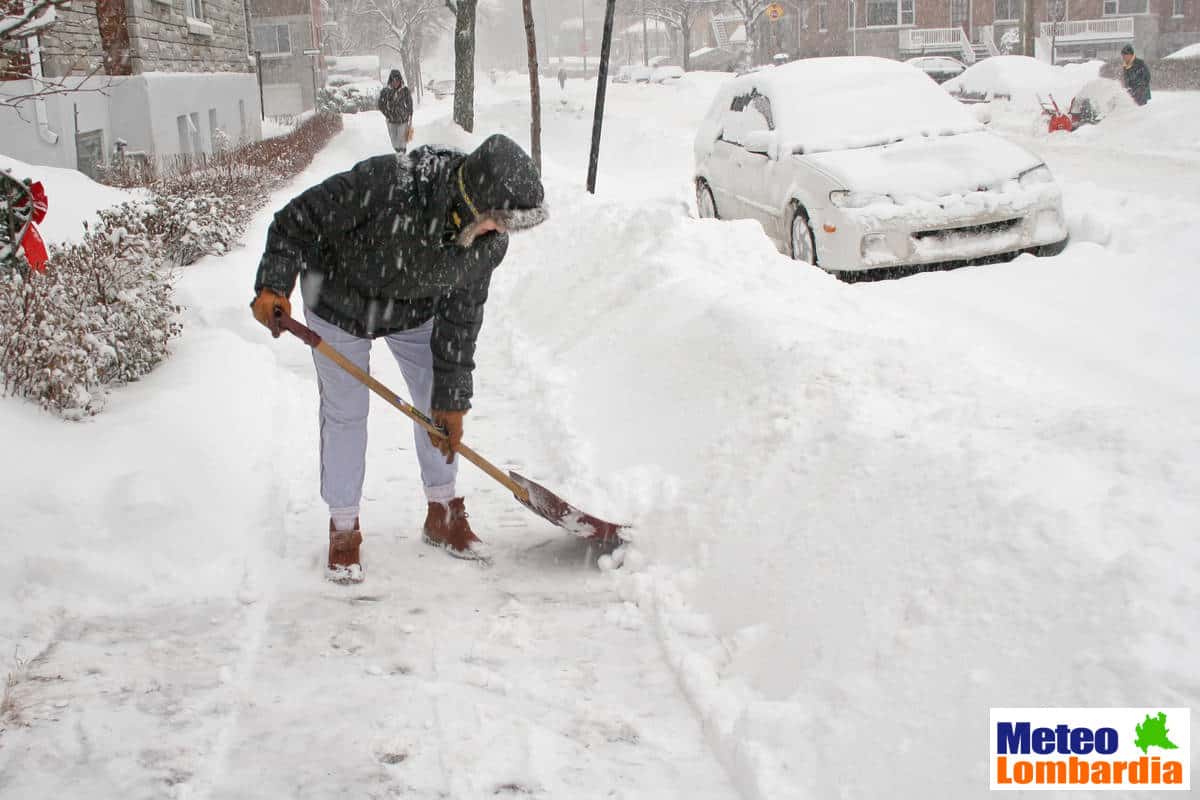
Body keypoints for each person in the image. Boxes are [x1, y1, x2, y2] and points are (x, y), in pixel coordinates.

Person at [250, 135, 548, 582]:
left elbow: (461, 318)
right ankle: (344, 526)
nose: (501, 233)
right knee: (346, 412)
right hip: (338, 301)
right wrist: (274, 284)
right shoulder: (390, 184)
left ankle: (443, 510)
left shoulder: (487, 245)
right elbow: (296, 219)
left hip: (412, 309)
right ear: (473, 202)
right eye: (498, 222)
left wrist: (452, 399)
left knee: (436, 404)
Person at [377, 69, 414, 153]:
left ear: (400, 80)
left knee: (401, 141)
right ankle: (398, 154)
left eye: (397, 80)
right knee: (394, 142)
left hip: (403, 120)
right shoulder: (386, 92)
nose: (395, 83)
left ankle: (402, 156)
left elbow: (410, 104)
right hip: (391, 120)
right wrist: (387, 113)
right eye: (393, 81)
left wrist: (409, 116)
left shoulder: (405, 91)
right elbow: (381, 105)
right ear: (390, 81)